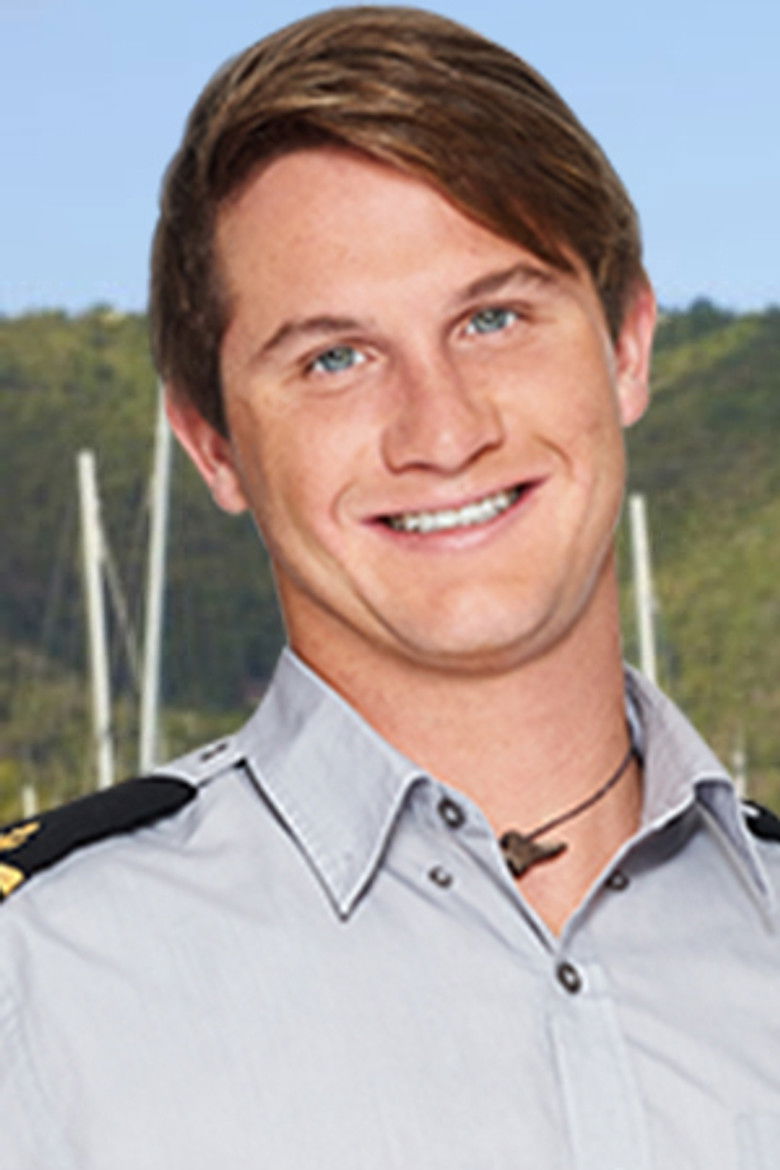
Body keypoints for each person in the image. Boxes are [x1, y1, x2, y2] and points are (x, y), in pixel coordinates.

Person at [2, 7, 779, 1167]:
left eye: (494, 317)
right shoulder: (38, 983)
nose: (443, 430)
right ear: (211, 444)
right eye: (336, 358)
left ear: (627, 344)